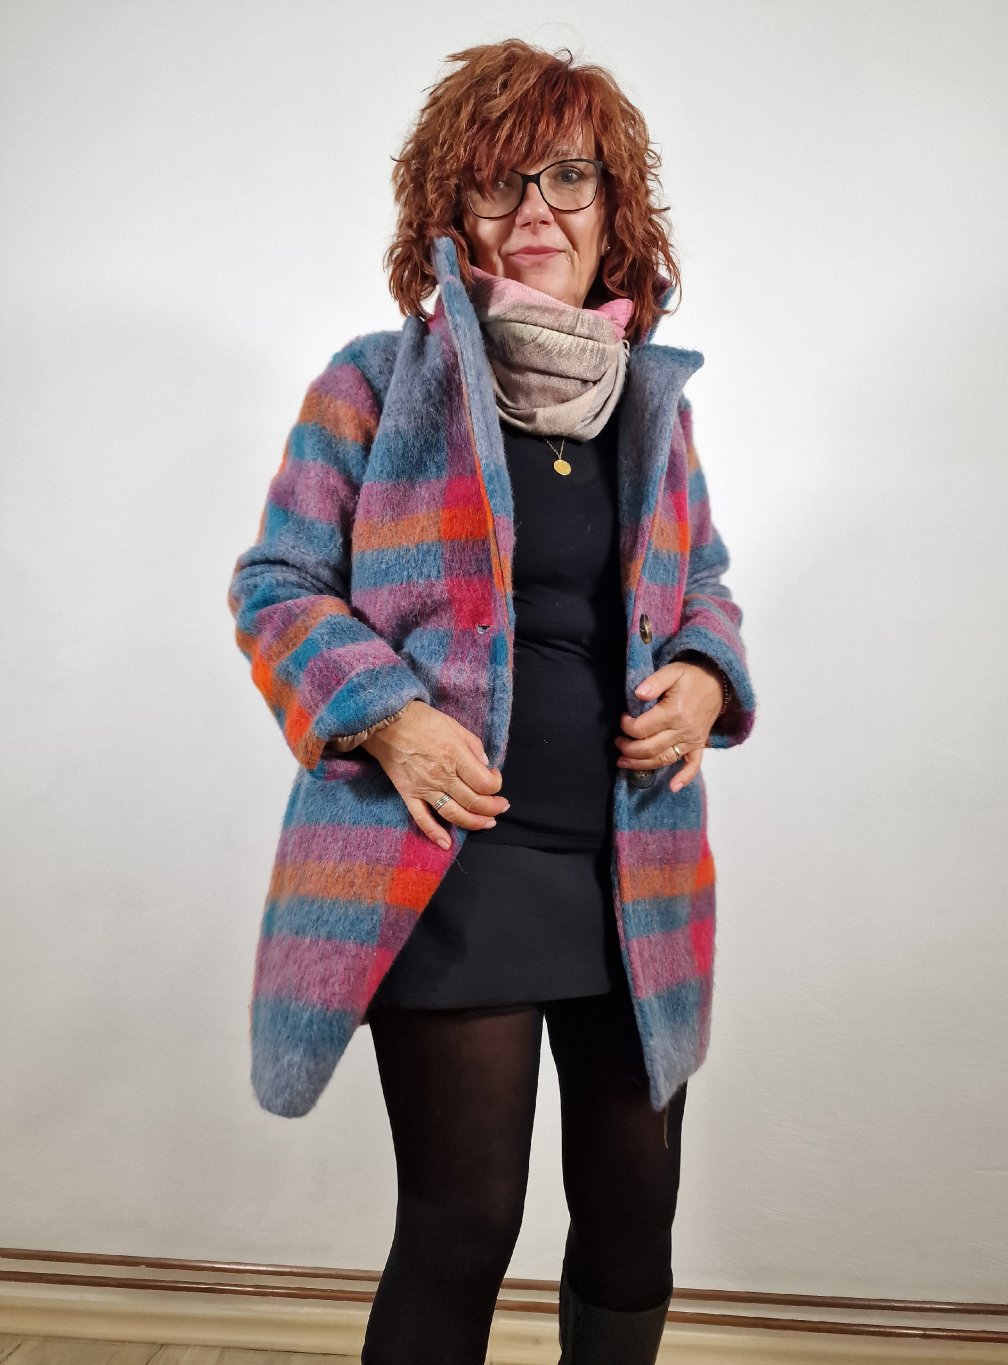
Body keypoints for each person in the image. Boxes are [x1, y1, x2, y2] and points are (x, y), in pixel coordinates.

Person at [227, 38, 755, 1365]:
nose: (535, 211)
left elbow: (704, 587)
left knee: (636, 1221)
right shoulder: (373, 383)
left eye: (568, 177)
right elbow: (276, 584)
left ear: (612, 209)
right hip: (448, 862)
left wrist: (704, 676)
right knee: (464, 1222)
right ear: (451, 213)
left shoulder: (653, 408)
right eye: (498, 181)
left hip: (630, 868)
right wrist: (391, 714)